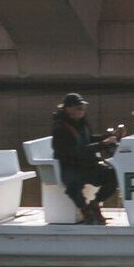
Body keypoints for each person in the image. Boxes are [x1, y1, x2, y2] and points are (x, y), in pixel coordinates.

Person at [47, 93, 118, 224]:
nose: (81, 110)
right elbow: (75, 151)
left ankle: (95, 205)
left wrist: (105, 137)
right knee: (74, 184)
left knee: (113, 175)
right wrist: (102, 145)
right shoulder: (60, 128)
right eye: (78, 108)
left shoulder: (81, 123)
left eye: (82, 107)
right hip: (69, 166)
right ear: (67, 108)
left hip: (87, 164)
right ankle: (85, 211)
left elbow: (88, 139)